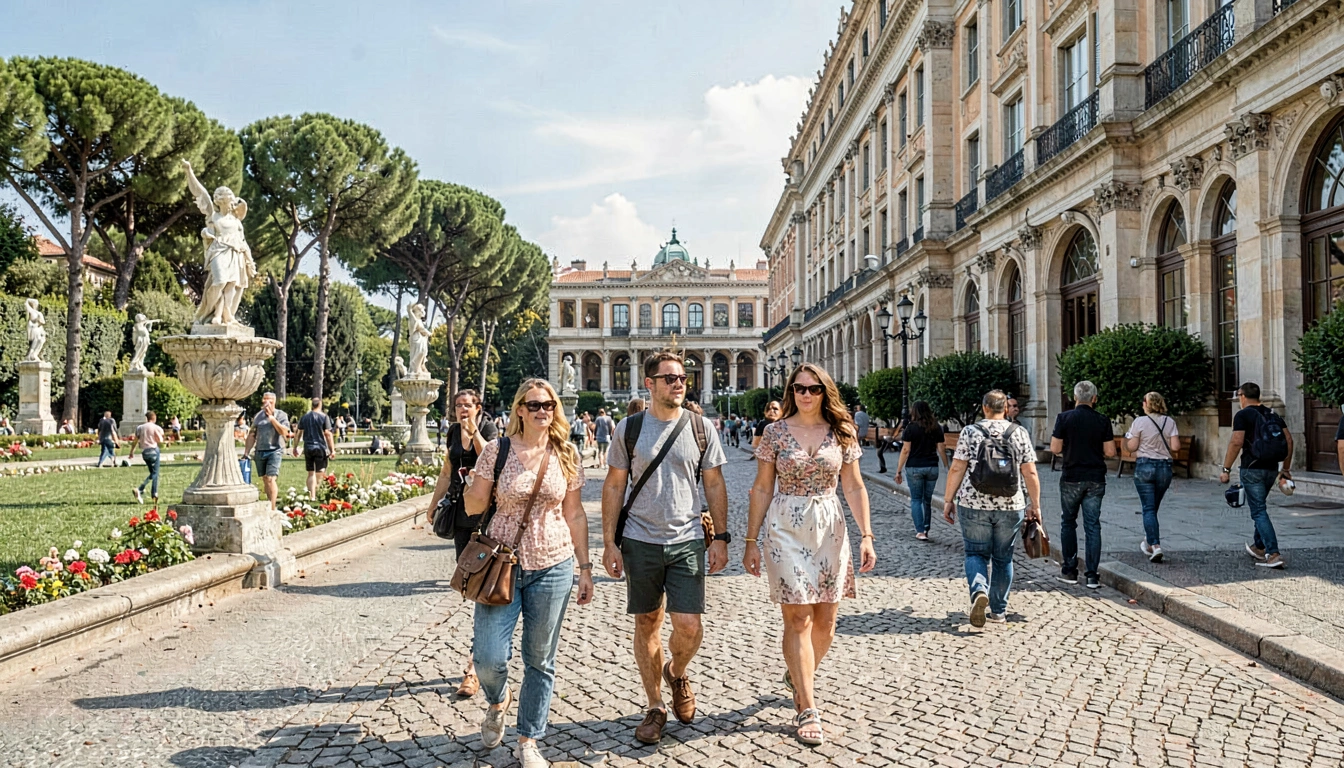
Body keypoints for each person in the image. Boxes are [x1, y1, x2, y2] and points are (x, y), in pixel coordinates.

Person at [461, 379, 593, 768]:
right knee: (488, 657)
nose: (542, 412)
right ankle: (497, 699)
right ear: (520, 409)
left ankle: (528, 739)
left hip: (553, 563)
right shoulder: (497, 452)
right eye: (534, 405)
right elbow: (474, 506)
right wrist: (470, 484)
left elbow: (574, 513)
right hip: (501, 563)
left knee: (540, 659)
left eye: (549, 405)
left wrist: (585, 568)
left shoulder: (565, 453)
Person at [744, 363, 876, 746]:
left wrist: (866, 535)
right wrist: (751, 540)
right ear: (791, 392)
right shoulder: (774, 433)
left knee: (826, 622)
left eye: (814, 388)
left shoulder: (842, 433)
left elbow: (853, 486)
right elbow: (762, 488)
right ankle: (806, 703)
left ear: (824, 392)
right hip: (785, 525)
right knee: (799, 617)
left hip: (830, 527)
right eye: (799, 388)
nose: (805, 394)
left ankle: (798, 673)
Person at [601, 352, 729, 745]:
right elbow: (613, 485)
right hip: (640, 539)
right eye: (670, 378)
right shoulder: (630, 428)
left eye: (683, 378)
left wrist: (721, 537)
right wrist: (609, 542)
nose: (679, 384)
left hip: (687, 538)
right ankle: (655, 705)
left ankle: (676, 670)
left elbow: (715, 484)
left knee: (689, 625)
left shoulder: (701, 427)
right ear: (650, 384)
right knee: (647, 623)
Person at [941, 390, 1041, 626]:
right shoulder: (1019, 433)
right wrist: (1035, 504)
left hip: (973, 503)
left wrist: (948, 499)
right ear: (1005, 408)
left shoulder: (970, 432)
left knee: (975, 553)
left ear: (984, 408)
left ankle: (979, 591)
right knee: (1003, 558)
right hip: (1011, 504)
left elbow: (957, 468)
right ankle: (998, 612)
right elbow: (1030, 472)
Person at [426, 389, 500, 699]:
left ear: (478, 408)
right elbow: (447, 471)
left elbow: (492, 463)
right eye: (457, 406)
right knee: (470, 589)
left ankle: (474, 668)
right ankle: (481, 656)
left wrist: (474, 434)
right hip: (460, 515)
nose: (461, 410)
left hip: (486, 517)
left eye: (467, 405)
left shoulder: (489, 429)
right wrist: (433, 504)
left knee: (484, 589)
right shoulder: (453, 431)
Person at [1219, 382, 1293, 569]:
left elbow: (1236, 442)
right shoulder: (1272, 414)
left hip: (1252, 469)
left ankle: (1273, 553)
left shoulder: (1243, 415)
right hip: (1271, 469)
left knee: (1258, 511)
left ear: (1243, 396)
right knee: (1260, 507)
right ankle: (1259, 547)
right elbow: (1289, 440)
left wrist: (1226, 469)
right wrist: (1285, 468)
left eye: (1238, 395)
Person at [1052, 381, 1117, 589]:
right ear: (1094, 398)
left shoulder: (1064, 418)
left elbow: (1054, 448)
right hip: (1095, 477)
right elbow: (1110, 452)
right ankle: (1091, 575)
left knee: (1068, 523)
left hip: (1071, 476)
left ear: (1075, 397)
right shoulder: (1102, 420)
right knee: (1092, 526)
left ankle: (1070, 570)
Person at [1125, 392, 1181, 563]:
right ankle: (1149, 541)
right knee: (1153, 507)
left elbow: (1132, 447)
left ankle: (1154, 545)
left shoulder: (1139, 422)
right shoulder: (1169, 421)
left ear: (1147, 404)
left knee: (1148, 508)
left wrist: (1128, 441)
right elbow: (1176, 446)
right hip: (1164, 467)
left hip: (1145, 466)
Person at [896, 400, 947, 541]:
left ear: (914, 412)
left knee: (916, 499)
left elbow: (906, 450)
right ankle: (926, 527)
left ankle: (920, 531)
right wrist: (946, 466)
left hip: (914, 467)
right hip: (932, 467)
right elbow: (941, 448)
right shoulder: (936, 427)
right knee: (927, 500)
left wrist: (898, 470)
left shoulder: (910, 428)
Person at [243, 392, 292, 510]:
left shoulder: (281, 415)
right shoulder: (258, 416)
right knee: (265, 479)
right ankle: (270, 502)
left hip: (275, 450)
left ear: (274, 402)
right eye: (264, 400)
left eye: (269, 401)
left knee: (271, 478)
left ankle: (272, 508)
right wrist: (246, 452)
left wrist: (272, 418)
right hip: (260, 451)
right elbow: (252, 434)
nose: (266, 403)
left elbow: (284, 432)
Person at [293, 398, 336, 500]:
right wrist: (332, 449)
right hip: (320, 447)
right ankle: (317, 490)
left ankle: (311, 495)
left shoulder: (305, 417)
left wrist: (295, 447)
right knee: (320, 471)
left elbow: (298, 434)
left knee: (310, 472)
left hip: (308, 447)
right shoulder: (324, 417)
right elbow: (328, 434)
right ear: (320, 404)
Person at [126, 411, 166, 504]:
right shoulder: (156, 427)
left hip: (144, 452)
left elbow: (135, 441)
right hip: (154, 451)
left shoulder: (140, 428)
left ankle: (154, 493)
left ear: (146, 418)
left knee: (153, 473)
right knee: (155, 473)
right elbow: (160, 439)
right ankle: (140, 489)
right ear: (154, 418)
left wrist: (131, 452)